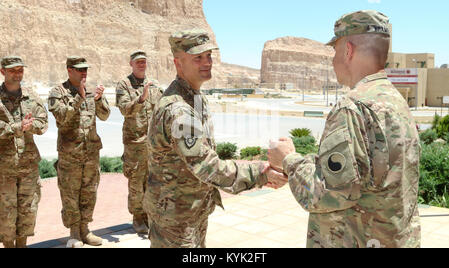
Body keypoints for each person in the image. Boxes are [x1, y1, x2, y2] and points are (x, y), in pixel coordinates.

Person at [266, 10, 421, 248]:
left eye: (335, 50)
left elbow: (323, 194)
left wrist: (288, 159)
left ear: (348, 50)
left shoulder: (352, 107)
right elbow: (366, 172)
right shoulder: (396, 101)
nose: (332, 59)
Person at [143, 29, 268, 248]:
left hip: (192, 210)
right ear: (178, 63)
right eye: (198, 57)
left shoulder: (195, 97)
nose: (207, 62)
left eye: (209, 56)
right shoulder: (179, 110)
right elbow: (206, 166)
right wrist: (261, 173)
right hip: (175, 220)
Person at [48, 56, 110, 247]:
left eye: (86, 70)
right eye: (80, 70)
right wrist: (78, 98)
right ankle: (74, 233)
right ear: (69, 70)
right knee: (70, 194)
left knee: (89, 193)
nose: (84, 73)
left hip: (91, 153)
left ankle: (85, 230)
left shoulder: (91, 92)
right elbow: (61, 118)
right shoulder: (57, 92)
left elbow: (105, 115)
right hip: (70, 155)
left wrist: (99, 100)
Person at [0, 56, 48, 248]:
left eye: (20, 69)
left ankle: (22, 245)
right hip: (4, 168)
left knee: (28, 209)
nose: (18, 73)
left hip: (28, 165)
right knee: (5, 211)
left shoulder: (31, 96)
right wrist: (16, 127)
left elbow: (43, 122)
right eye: (13, 70)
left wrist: (30, 126)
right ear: (3, 72)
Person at [116, 50, 163, 234]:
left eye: (144, 62)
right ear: (131, 64)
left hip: (153, 143)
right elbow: (124, 109)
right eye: (138, 62)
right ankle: (137, 218)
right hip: (134, 143)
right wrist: (141, 98)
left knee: (153, 182)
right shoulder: (124, 85)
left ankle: (151, 216)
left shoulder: (155, 85)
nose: (141, 65)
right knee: (136, 182)